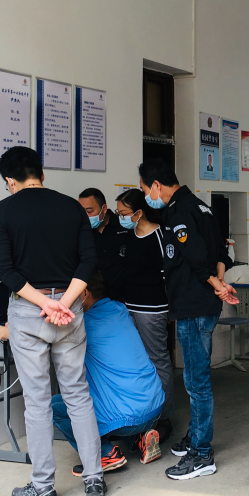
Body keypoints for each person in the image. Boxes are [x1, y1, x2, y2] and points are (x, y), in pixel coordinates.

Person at [0, 146, 106, 496]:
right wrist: (64, 302)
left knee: (37, 402)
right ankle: (94, 479)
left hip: (29, 312)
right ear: (41, 174)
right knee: (78, 394)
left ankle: (42, 487)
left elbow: (5, 270)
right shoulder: (72, 207)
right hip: (69, 311)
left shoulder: (3, 210)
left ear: (10, 180)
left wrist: (44, 304)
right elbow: (89, 259)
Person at [138, 158, 239, 481]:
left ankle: (202, 453)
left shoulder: (179, 212)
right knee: (197, 379)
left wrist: (215, 285)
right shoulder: (201, 207)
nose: (147, 197)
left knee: (196, 382)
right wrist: (219, 282)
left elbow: (196, 256)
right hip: (202, 303)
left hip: (194, 306)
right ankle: (195, 436)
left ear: (157, 185)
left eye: (145, 190)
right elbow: (221, 252)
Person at [50, 271, 165, 474]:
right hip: (155, 407)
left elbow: (47, 335)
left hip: (128, 416)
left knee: (56, 406)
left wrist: (8, 331)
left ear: (83, 293)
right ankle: (140, 439)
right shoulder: (120, 310)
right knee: (112, 394)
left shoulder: (83, 323)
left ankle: (104, 454)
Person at [113, 188, 174, 441]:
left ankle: (164, 416)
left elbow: (169, 274)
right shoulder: (128, 236)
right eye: (118, 213)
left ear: (139, 212)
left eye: (124, 213)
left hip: (153, 308)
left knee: (157, 359)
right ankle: (140, 414)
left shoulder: (160, 235)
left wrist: (171, 308)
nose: (121, 217)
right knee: (135, 361)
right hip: (129, 306)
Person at [78, 188, 131, 301]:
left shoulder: (124, 225)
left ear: (104, 209)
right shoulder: (82, 232)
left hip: (126, 295)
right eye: (82, 212)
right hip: (95, 299)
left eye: (89, 211)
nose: (86, 216)